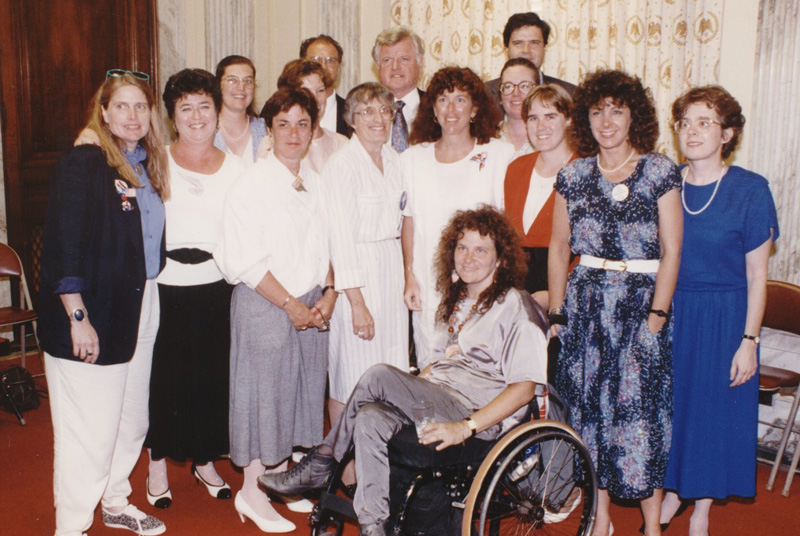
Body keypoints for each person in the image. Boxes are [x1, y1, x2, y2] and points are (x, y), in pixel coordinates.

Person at [260, 205, 549, 536]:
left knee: (378, 374)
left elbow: (525, 389)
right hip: (439, 399)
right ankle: (372, 526)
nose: (468, 257)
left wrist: (465, 427)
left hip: (476, 414)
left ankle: (322, 463)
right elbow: (439, 366)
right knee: (369, 415)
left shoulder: (517, 308)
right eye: (462, 247)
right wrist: (411, 388)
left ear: (500, 259)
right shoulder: (458, 300)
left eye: (481, 249)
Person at [548, 69, 683, 536]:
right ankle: (599, 518)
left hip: (640, 308)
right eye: (597, 110)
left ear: (634, 116)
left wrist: (656, 320)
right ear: (586, 118)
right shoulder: (573, 174)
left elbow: (672, 251)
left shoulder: (660, 171)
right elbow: (559, 248)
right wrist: (558, 313)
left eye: (617, 110)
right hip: (586, 307)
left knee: (640, 418)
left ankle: (650, 526)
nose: (607, 121)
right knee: (588, 415)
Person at [39, 69, 169, 536]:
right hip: (91, 309)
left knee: (132, 418)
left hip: (139, 302)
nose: (133, 116)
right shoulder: (86, 161)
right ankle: (71, 527)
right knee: (87, 431)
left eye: (141, 106)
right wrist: (78, 316)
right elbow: (63, 246)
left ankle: (115, 500)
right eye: (122, 106)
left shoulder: (143, 162)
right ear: (104, 112)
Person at [215, 87, 336, 533]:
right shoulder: (251, 184)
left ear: (312, 131)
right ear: (268, 129)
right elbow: (242, 258)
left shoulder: (316, 182)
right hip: (267, 304)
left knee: (297, 396)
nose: (293, 133)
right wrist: (289, 304)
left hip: (308, 304)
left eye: (302, 124)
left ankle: (279, 482)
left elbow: (327, 246)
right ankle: (251, 493)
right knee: (264, 398)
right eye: (283, 124)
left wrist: (329, 292)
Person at [659, 86, 779, 536]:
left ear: (727, 133)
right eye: (685, 122)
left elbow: (756, 277)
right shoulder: (665, 182)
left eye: (704, 122)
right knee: (672, 408)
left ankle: (703, 508)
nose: (692, 131)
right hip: (674, 311)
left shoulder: (750, 190)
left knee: (710, 411)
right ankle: (673, 491)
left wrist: (749, 341)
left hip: (725, 316)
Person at [143, 69, 246, 510]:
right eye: (186, 108)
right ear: (172, 117)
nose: (197, 116)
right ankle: (156, 464)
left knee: (211, 379)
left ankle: (205, 460)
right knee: (164, 380)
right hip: (166, 287)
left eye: (205, 105)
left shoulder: (239, 169)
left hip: (217, 287)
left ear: (217, 112)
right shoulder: (155, 161)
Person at [322, 82, 409, 486]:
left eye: (384, 112)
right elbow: (339, 236)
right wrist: (355, 302)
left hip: (390, 268)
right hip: (357, 277)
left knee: (387, 370)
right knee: (350, 375)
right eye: (367, 112)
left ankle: (377, 457)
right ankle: (344, 465)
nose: (378, 120)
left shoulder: (394, 159)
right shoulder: (341, 164)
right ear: (351, 119)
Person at [401, 66, 513, 368]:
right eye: (442, 100)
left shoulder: (499, 155)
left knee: (481, 370)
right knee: (432, 370)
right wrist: (409, 275)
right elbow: (409, 221)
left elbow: (506, 230)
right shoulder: (412, 159)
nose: (451, 110)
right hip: (430, 284)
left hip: (483, 286)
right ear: (433, 109)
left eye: (460, 100)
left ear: (475, 108)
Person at [504, 83, 575, 308]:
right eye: (533, 118)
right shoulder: (516, 168)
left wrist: (556, 293)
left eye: (550, 116)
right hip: (516, 291)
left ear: (568, 120)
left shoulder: (584, 171)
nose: (541, 126)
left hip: (564, 290)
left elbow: (591, 248)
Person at [257, 59, 348, 173]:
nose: (315, 99)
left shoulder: (341, 143)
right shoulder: (272, 143)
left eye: (320, 91)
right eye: (306, 91)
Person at [486, 12, 576, 105]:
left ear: (544, 48)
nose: (526, 50)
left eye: (534, 43)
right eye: (518, 43)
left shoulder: (571, 94)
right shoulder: (484, 93)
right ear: (506, 49)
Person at [373, 26, 426, 153]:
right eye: (387, 60)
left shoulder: (437, 108)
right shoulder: (364, 112)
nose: (395, 67)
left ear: (420, 62)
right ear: (377, 66)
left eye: (404, 59)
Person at [214, 55, 268, 164]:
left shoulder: (266, 129)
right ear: (218, 85)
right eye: (232, 80)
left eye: (248, 81)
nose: (241, 87)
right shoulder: (205, 131)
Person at [300, 34, 351, 137]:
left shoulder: (352, 113)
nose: (323, 66)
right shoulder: (281, 109)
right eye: (316, 59)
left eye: (330, 61)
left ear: (339, 67)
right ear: (302, 64)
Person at [497, 57, 540, 159]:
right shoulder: (487, 138)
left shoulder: (550, 138)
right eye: (508, 86)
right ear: (500, 96)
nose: (516, 93)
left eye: (525, 86)